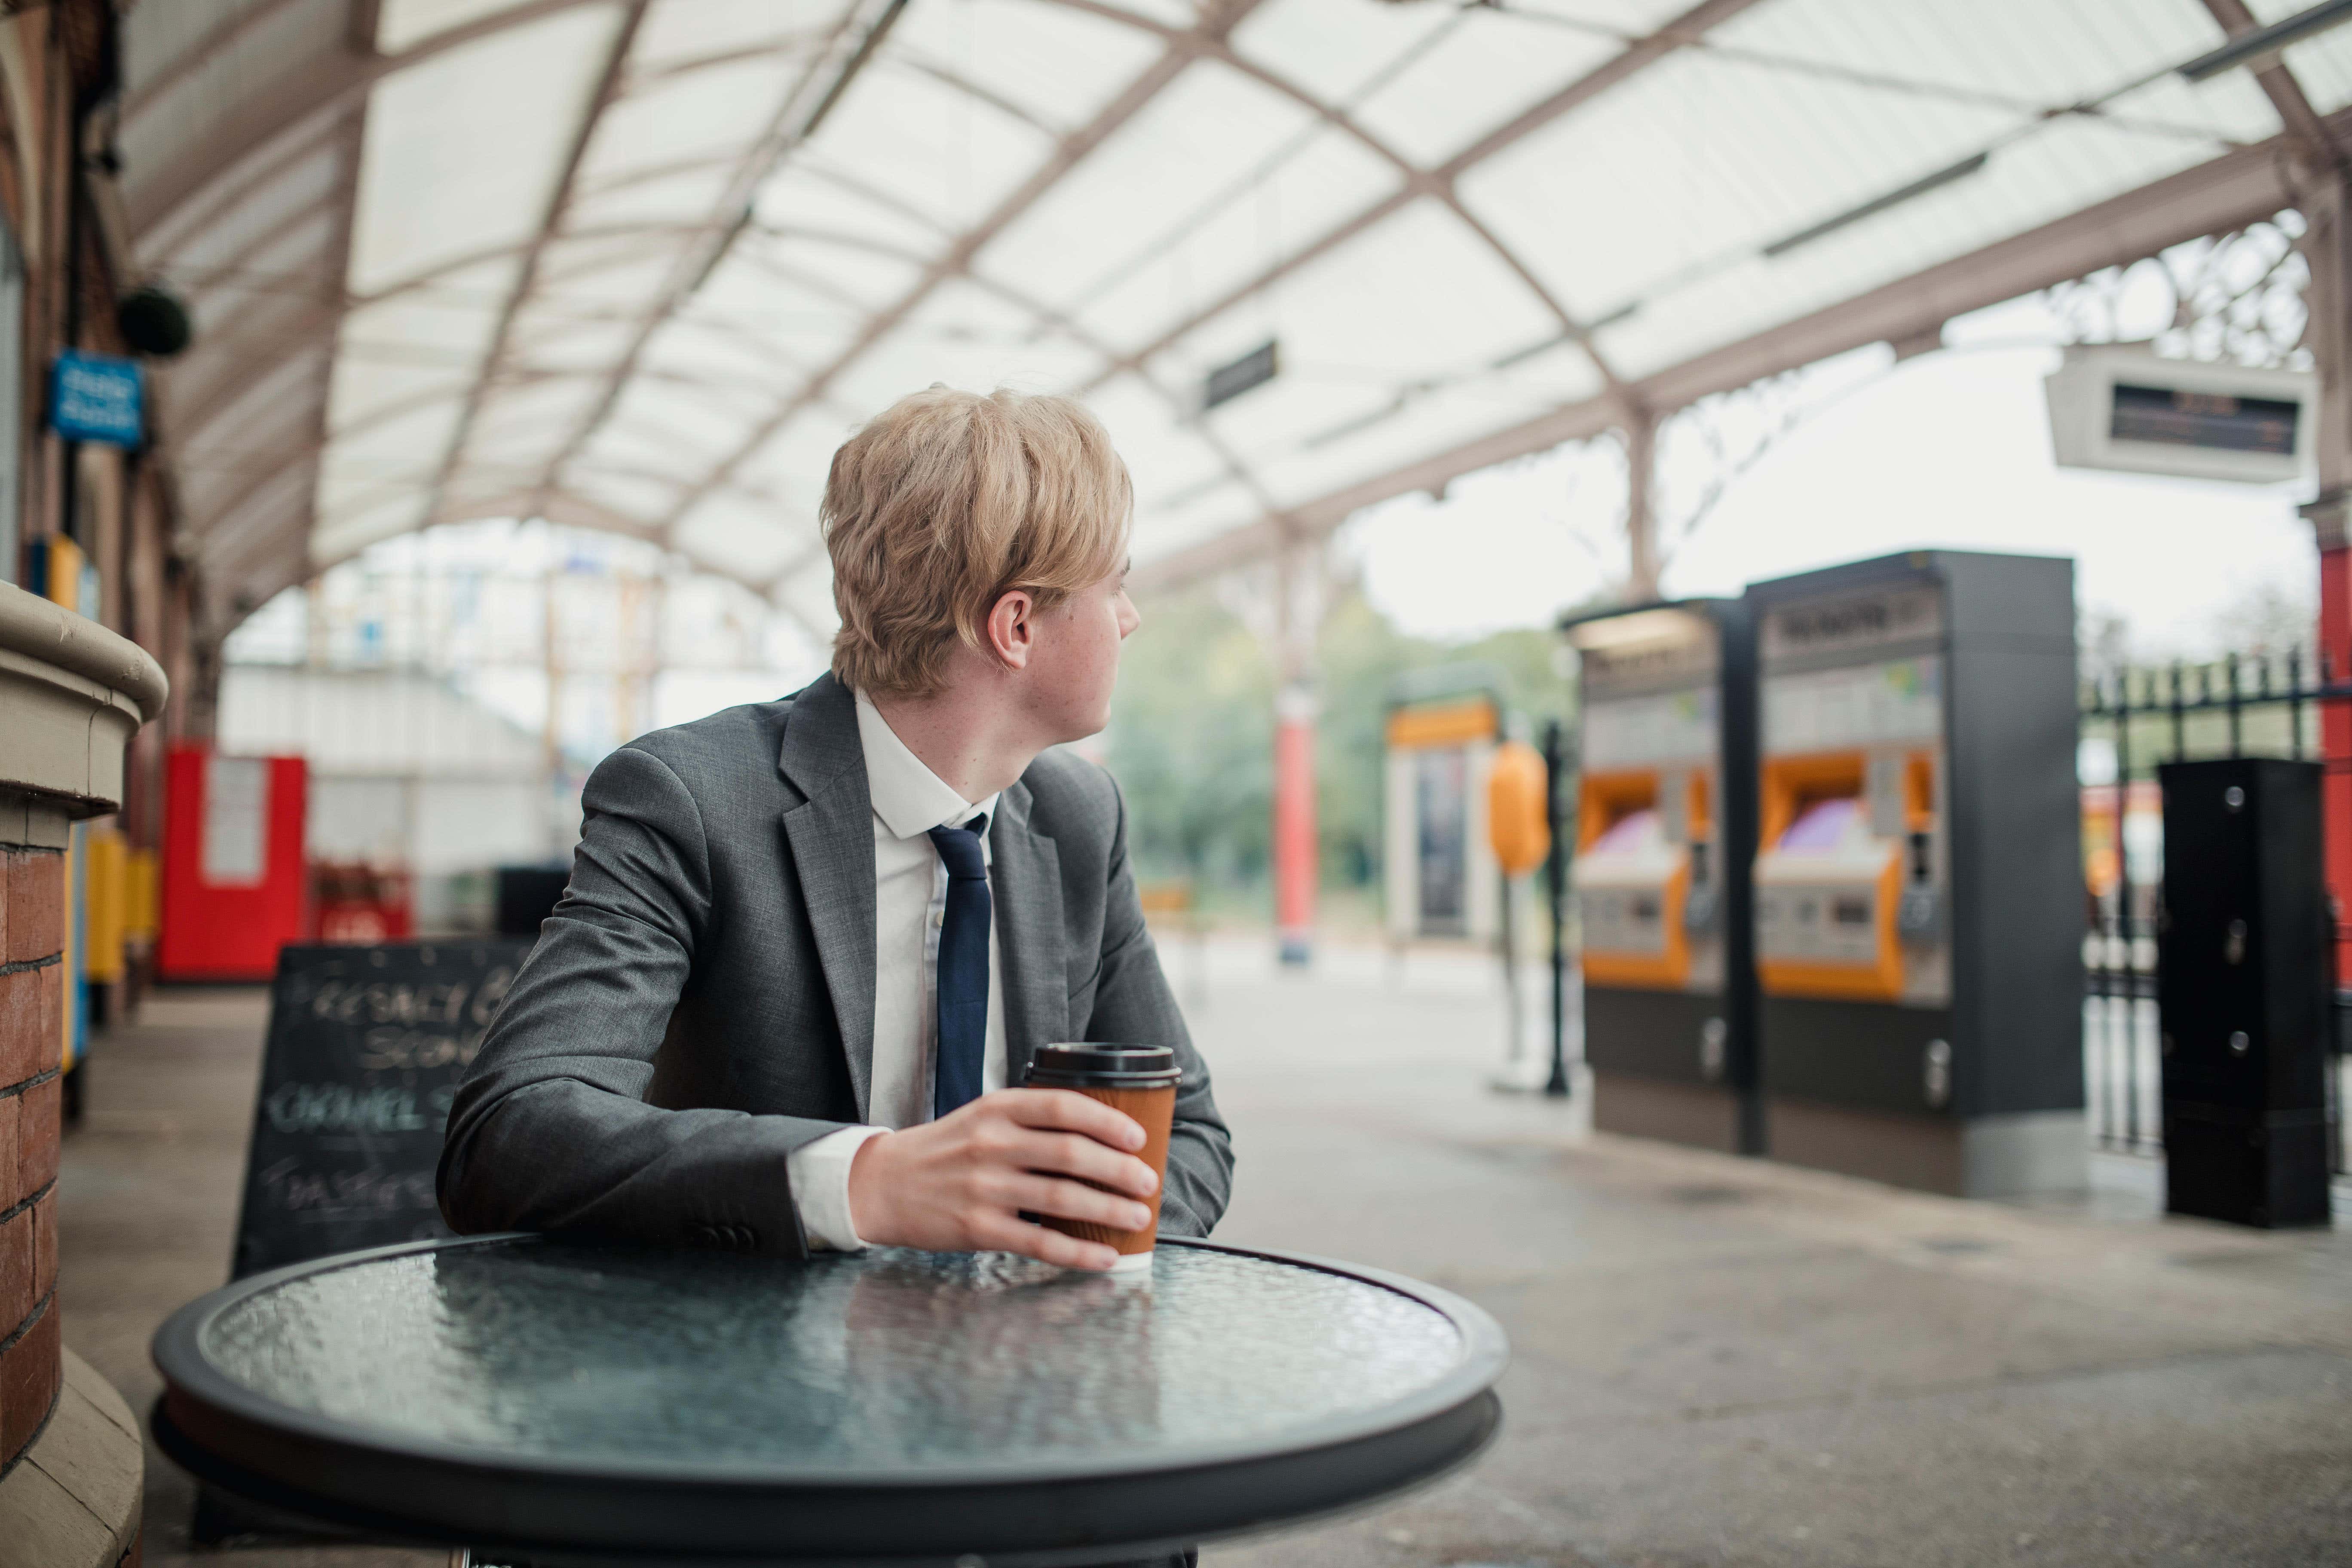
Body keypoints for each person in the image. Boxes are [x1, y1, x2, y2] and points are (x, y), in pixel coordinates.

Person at [438, 386, 1232, 1273]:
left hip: (1021, 1385)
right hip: (750, 1378)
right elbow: (509, 1130)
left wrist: (1059, 1265)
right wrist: (868, 1183)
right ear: (1016, 627)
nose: (1130, 618)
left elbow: (1190, 1134)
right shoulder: (691, 801)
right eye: (1114, 585)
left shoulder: (1081, 817)